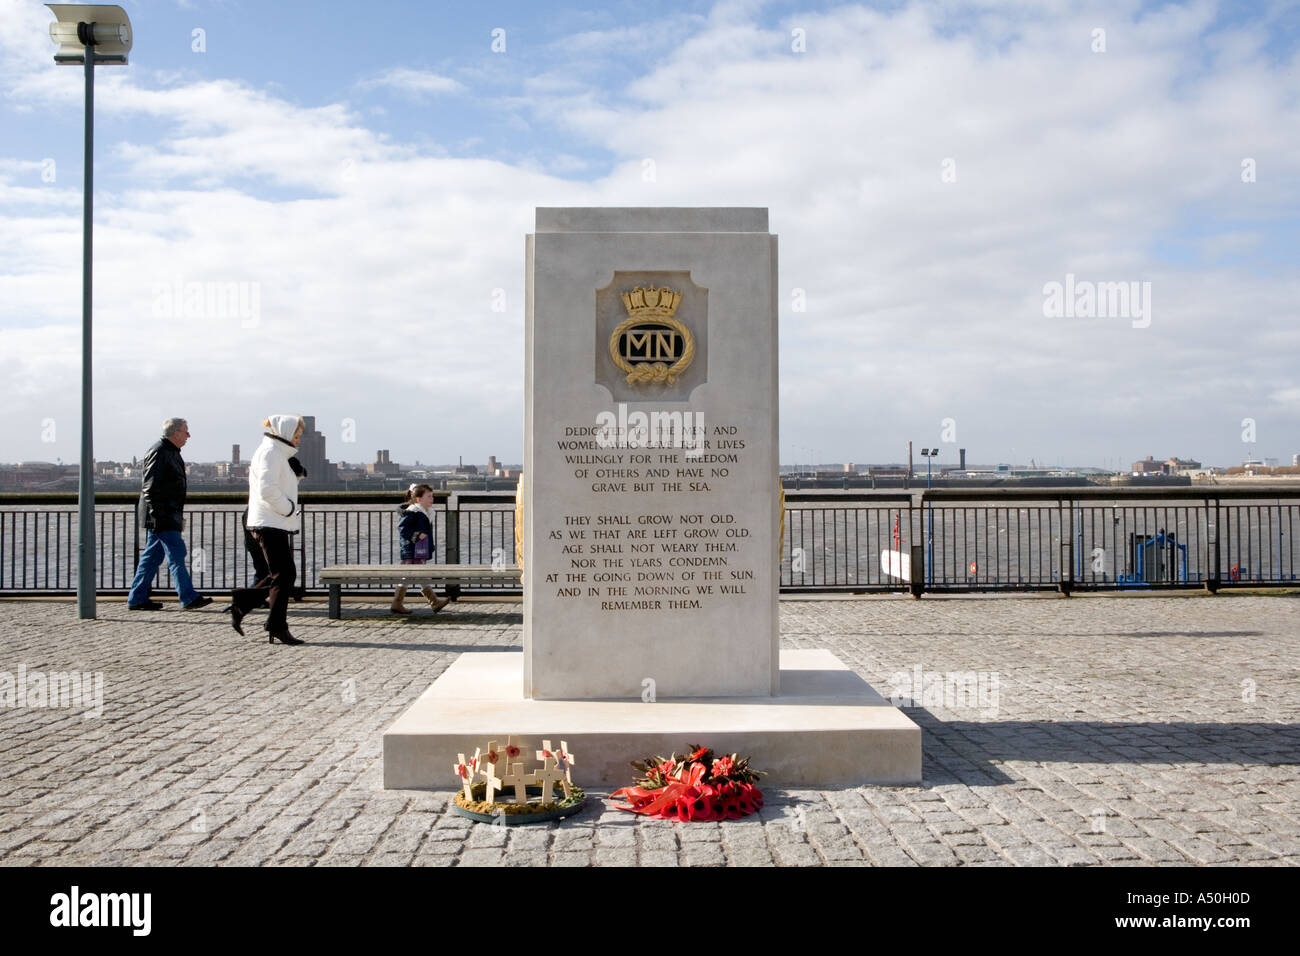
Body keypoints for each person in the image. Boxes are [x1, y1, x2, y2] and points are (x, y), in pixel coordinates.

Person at [228, 415, 305, 645]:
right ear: (285, 432)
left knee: (282, 574)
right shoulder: (271, 452)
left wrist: (296, 475)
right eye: (296, 435)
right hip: (269, 521)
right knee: (285, 574)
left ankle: (244, 603)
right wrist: (289, 508)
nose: (298, 440)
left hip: (273, 521)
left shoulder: (277, 452)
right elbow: (267, 489)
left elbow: (280, 485)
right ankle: (275, 625)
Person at [126, 418, 212, 611]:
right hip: (162, 515)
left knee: (152, 558)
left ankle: (137, 597)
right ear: (175, 433)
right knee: (177, 553)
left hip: (163, 514)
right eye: (185, 431)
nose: (188, 435)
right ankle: (188, 597)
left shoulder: (168, 451)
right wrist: (159, 516)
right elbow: (150, 487)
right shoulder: (160, 452)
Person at [391, 483, 450, 614]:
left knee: (416, 575)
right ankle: (432, 602)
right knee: (410, 575)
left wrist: (429, 545)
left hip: (418, 549)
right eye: (429, 496)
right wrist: (416, 536)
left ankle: (431, 602)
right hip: (411, 549)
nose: (432, 499)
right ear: (418, 499)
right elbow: (402, 528)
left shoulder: (425, 513)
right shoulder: (413, 512)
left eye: (432, 496)